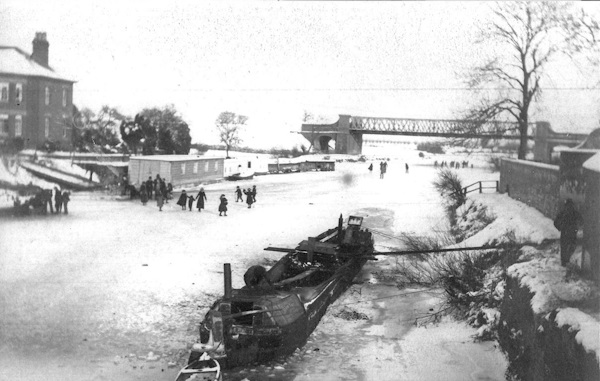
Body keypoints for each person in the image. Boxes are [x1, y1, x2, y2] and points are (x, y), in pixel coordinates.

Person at [554, 199, 583, 266]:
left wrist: (560, 228)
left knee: (564, 246)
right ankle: (568, 258)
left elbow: (555, 222)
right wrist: (577, 227)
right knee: (572, 246)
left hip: (565, 232)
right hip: (572, 232)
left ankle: (564, 262)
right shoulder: (575, 212)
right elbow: (581, 220)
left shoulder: (563, 212)